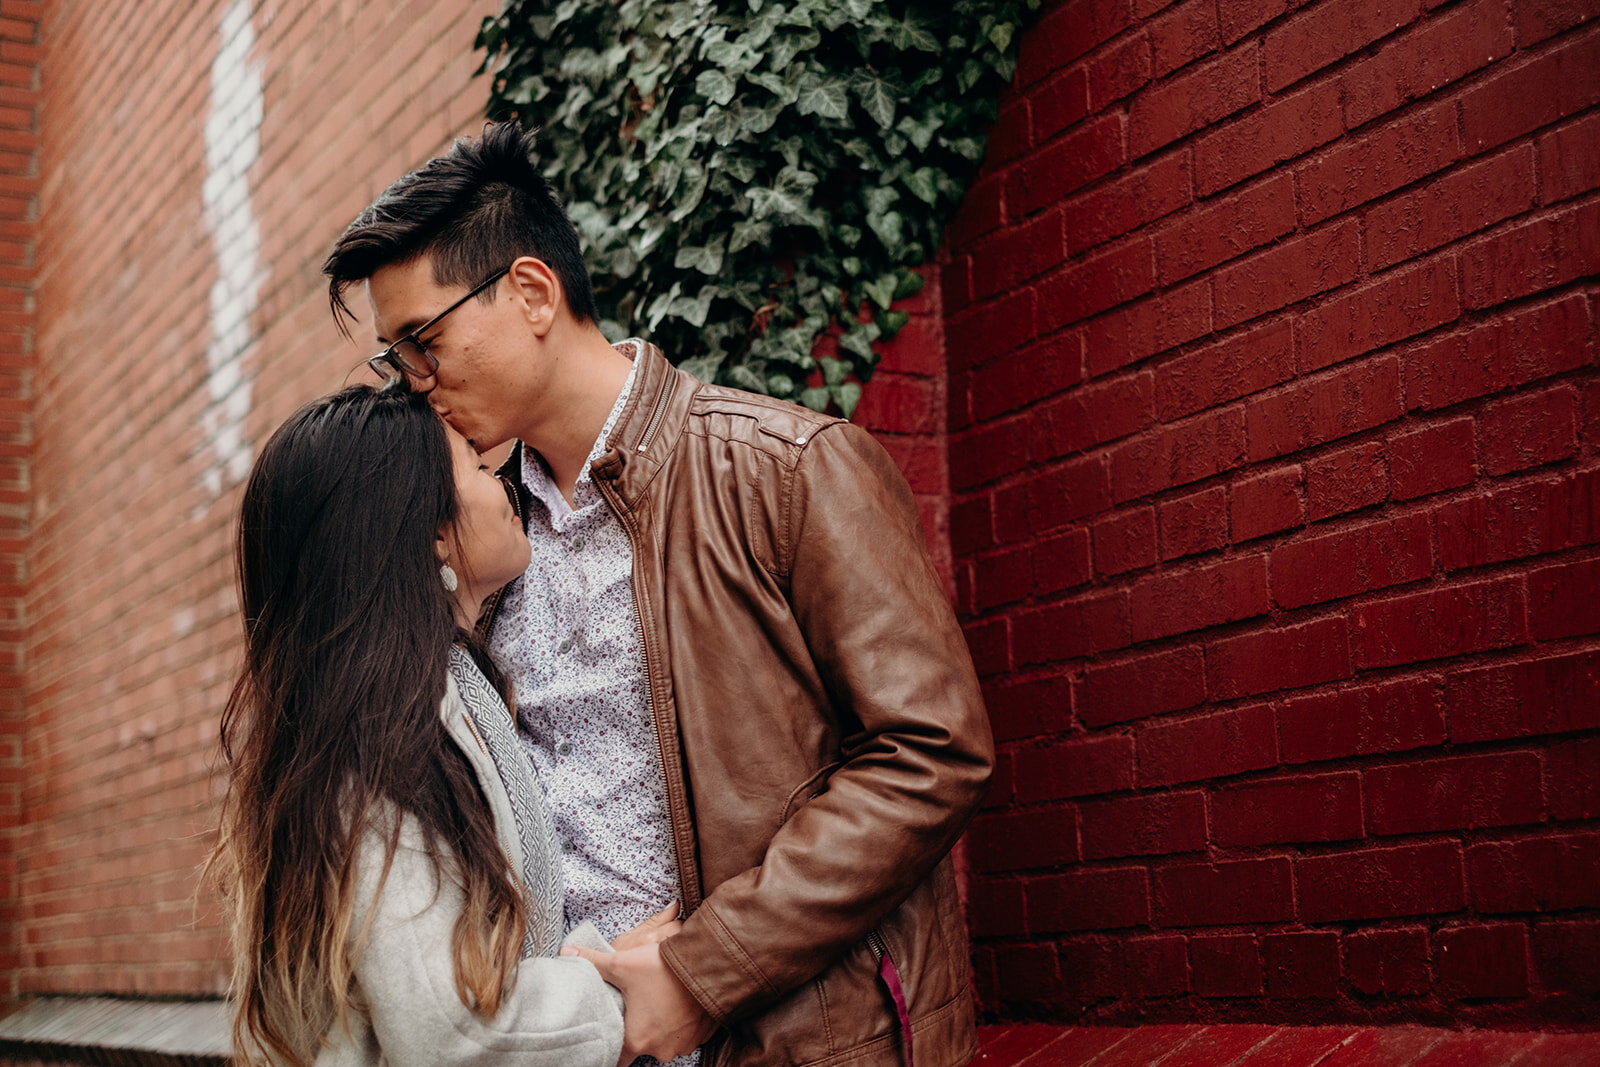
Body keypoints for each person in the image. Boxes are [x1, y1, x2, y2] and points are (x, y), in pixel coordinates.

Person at [323, 121, 994, 1067]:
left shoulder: (786, 471)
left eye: (425, 341)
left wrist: (704, 971)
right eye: (399, 359)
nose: (418, 384)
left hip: (797, 1043)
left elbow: (934, 749)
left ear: (530, 292)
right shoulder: (485, 542)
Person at [210, 383, 679, 1066]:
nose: (507, 488)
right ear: (432, 531)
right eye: (481, 469)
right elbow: (452, 1032)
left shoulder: (409, 712)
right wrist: (613, 990)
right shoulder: (380, 748)